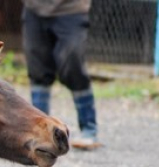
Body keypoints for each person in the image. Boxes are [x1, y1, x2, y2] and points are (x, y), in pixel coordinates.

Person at [22, 0, 101, 149]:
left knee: (73, 65)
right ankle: (40, 132)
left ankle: (89, 129)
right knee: (38, 70)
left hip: (71, 9)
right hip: (34, 9)